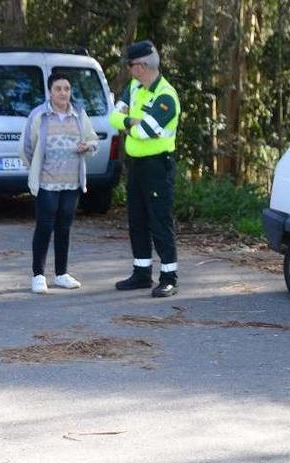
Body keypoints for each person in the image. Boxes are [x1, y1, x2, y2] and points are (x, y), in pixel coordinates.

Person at [108, 40, 181, 297]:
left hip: (157, 167)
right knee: (136, 220)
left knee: (159, 221)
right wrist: (132, 122)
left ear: (143, 66)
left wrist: (132, 124)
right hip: (136, 166)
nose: (129, 69)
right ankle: (141, 273)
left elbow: (145, 131)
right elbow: (113, 117)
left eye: (131, 65)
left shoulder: (166, 96)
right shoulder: (134, 87)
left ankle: (169, 276)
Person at [19, 73, 98, 294]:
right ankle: (38, 275)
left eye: (66, 88)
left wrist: (87, 146)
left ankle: (62, 273)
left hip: (71, 183)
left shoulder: (79, 114)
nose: (63, 93)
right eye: (58, 89)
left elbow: (93, 140)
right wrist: (35, 169)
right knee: (44, 227)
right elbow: (26, 147)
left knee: (64, 227)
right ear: (50, 92)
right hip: (46, 183)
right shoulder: (39, 115)